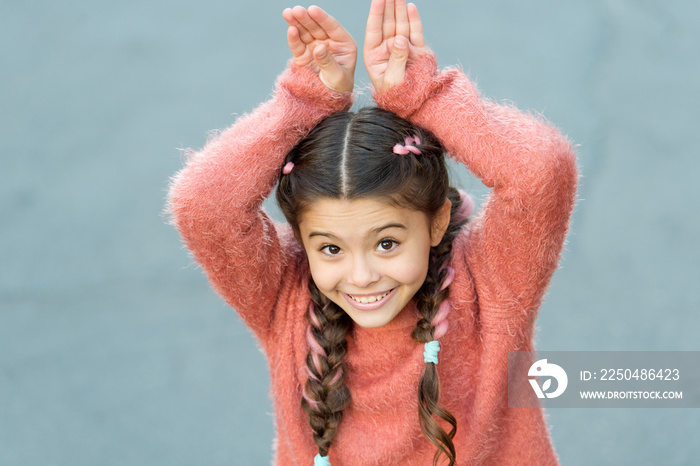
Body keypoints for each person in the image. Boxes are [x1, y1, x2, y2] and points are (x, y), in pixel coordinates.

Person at [167, 0, 578, 464]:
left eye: (386, 243)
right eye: (330, 248)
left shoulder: (490, 285)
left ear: (436, 220)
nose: (360, 276)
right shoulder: (285, 296)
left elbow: (540, 172)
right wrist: (303, 102)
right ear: (302, 241)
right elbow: (203, 205)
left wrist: (424, 97)